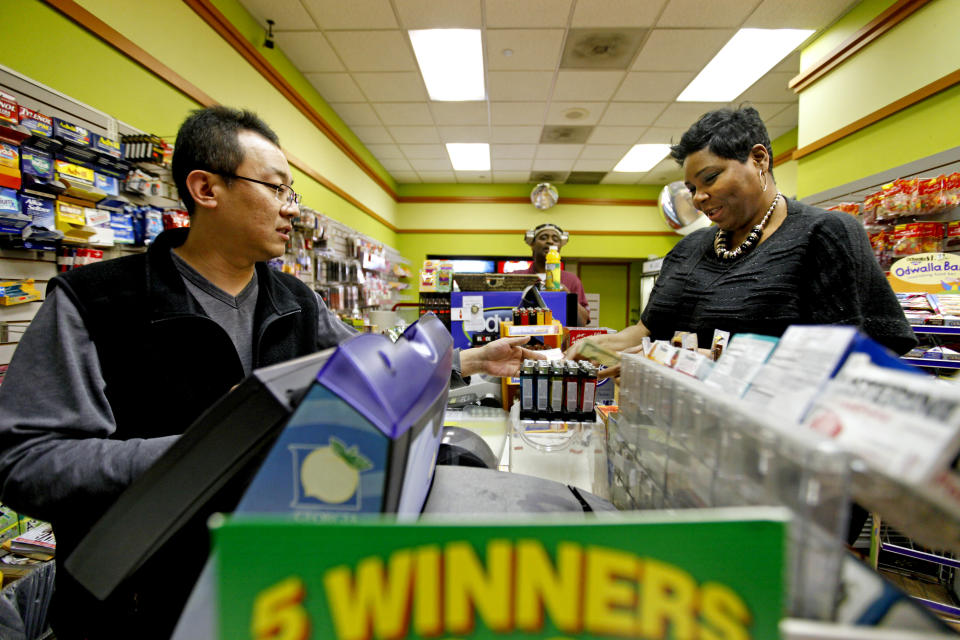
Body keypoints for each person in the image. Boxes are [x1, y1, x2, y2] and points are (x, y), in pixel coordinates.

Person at [0, 106, 539, 639]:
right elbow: (26, 462)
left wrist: (470, 363)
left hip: (273, 597)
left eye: (291, 194)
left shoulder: (296, 301)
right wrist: (211, 451)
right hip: (140, 609)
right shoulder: (96, 303)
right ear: (206, 189)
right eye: (276, 189)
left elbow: (378, 380)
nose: (291, 210)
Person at [569, 106, 916, 367]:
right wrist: (564, 356)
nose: (698, 196)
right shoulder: (689, 249)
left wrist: (708, 362)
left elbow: (849, 357)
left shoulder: (824, 234)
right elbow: (642, 334)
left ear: (758, 158)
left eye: (710, 178)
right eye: (691, 188)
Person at [517, 223, 590, 326]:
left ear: (560, 246)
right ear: (532, 244)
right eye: (543, 238)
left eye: (555, 239)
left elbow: (583, 322)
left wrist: (567, 295)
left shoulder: (572, 280)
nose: (550, 241)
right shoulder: (517, 277)